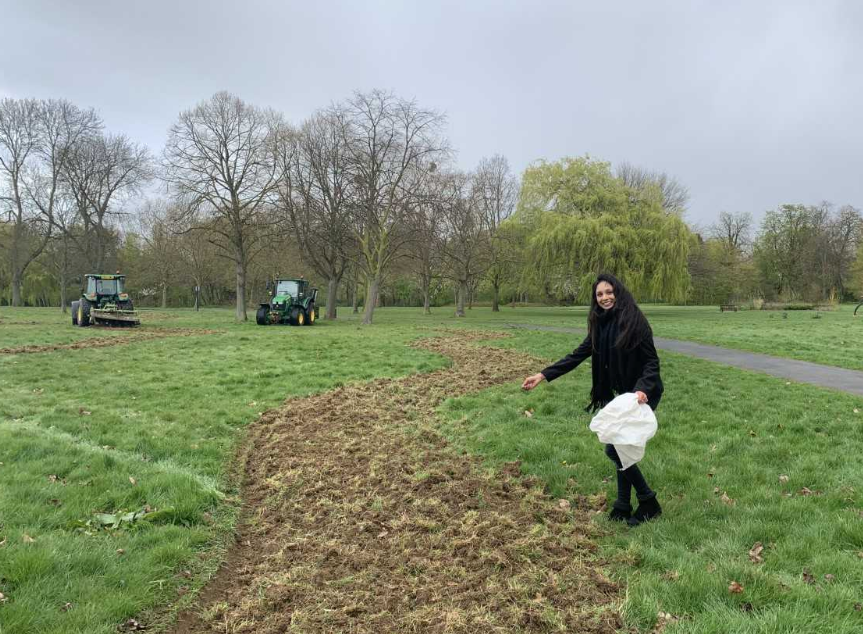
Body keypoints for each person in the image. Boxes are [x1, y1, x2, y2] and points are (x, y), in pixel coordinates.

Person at [521, 273, 664, 526]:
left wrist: (642, 389)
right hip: (623, 396)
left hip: (643, 393)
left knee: (615, 447)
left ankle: (648, 500)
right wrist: (542, 375)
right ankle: (622, 505)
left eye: (609, 292)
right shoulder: (599, 324)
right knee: (619, 445)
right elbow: (578, 354)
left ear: (618, 292)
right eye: (599, 294)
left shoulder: (634, 321)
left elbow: (652, 362)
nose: (605, 298)